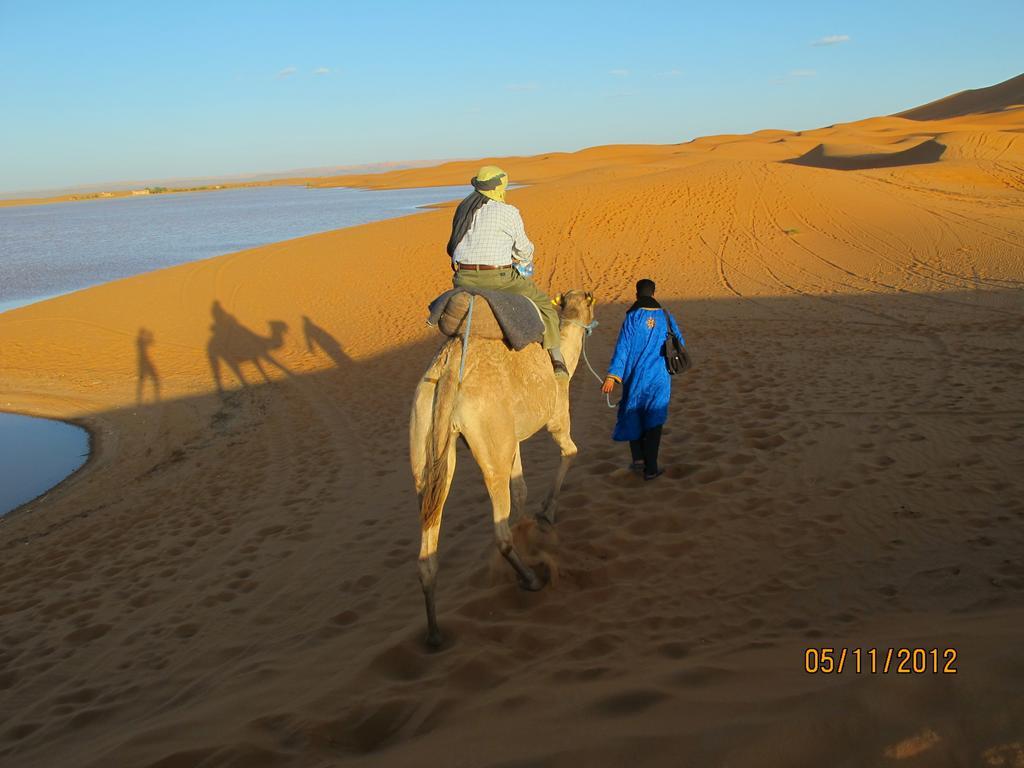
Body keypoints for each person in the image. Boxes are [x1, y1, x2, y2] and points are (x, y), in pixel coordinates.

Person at [447, 165, 568, 378]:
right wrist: (524, 261)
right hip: (499, 279)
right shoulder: (507, 212)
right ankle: (557, 358)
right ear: (498, 187)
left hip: (463, 278)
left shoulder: (464, 208)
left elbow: (455, 245)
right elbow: (523, 248)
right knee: (544, 305)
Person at [601, 279, 685, 480]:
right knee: (654, 419)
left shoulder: (632, 318)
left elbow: (622, 348)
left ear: (637, 294)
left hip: (635, 377)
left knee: (634, 413)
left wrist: (613, 376)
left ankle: (639, 460)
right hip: (659, 378)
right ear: (654, 293)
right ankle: (651, 468)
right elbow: (679, 342)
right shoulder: (665, 316)